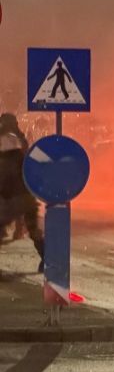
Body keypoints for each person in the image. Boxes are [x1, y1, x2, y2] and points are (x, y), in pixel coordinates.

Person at [0, 113, 43, 270]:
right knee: (34, 230)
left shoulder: (5, 160)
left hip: (11, 200)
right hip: (26, 197)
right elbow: (40, 161)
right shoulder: (23, 147)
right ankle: (47, 261)